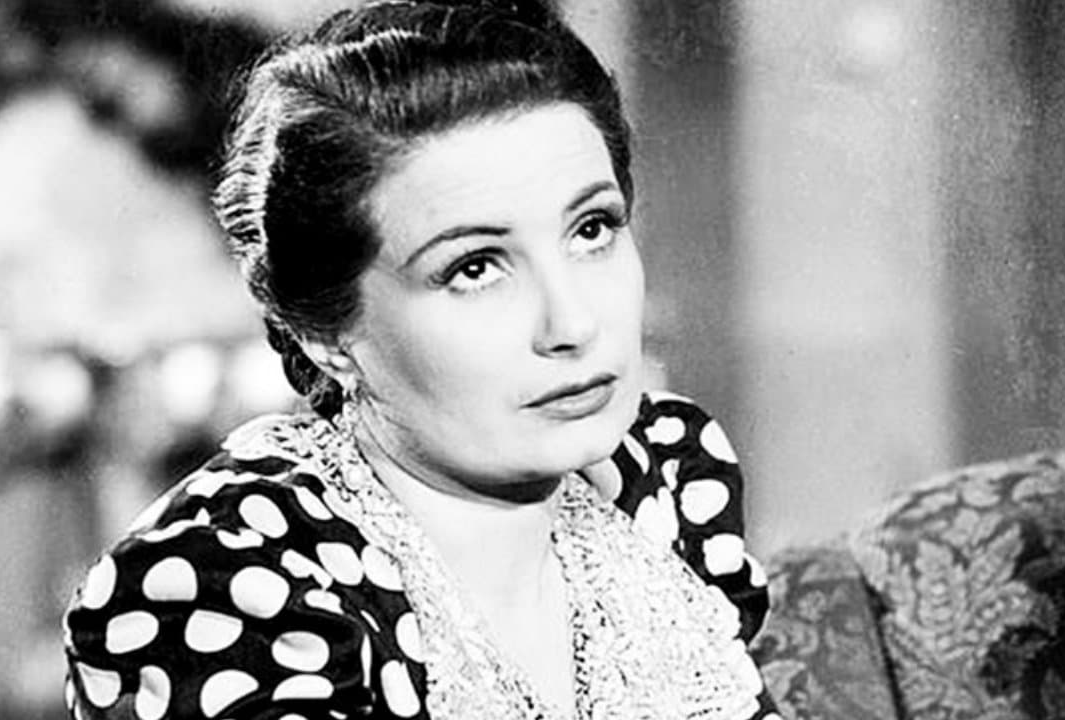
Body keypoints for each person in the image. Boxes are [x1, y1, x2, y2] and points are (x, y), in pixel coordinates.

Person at [62, 1, 778, 718]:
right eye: (474, 268)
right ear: (325, 334)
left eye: (592, 230)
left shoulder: (658, 478)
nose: (573, 324)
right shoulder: (228, 585)